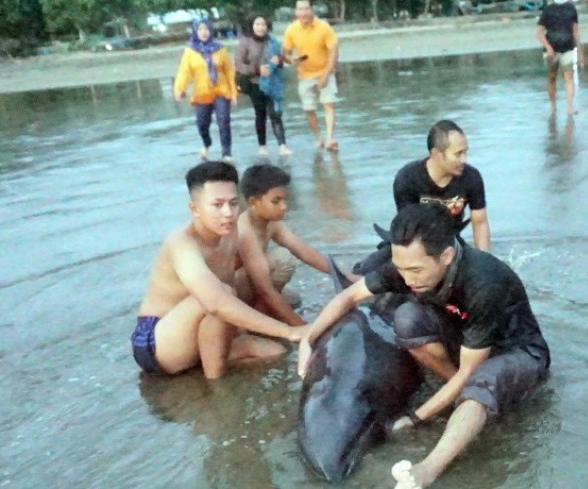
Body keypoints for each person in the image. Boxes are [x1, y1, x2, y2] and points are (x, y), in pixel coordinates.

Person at [297, 203, 550, 489]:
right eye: (401, 269)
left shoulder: (484, 283)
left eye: (416, 270)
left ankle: (428, 469)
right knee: (407, 318)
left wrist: (416, 417)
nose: (408, 279)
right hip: (465, 339)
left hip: (515, 350)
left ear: (446, 256)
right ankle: (458, 401)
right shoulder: (409, 268)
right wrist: (308, 340)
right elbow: (348, 297)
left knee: (480, 385)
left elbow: (469, 371)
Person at [131, 161, 306, 380]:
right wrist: (289, 331)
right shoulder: (181, 243)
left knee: (275, 349)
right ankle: (217, 386)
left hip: (202, 328)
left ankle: (204, 369)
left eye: (233, 203)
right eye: (217, 205)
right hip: (159, 342)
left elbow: (236, 285)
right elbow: (215, 302)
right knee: (220, 294)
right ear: (195, 209)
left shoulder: (230, 231)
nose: (228, 213)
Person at [352, 120, 491, 276]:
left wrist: (484, 261)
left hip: (450, 241)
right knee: (372, 269)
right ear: (437, 154)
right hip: (412, 241)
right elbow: (408, 227)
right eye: (458, 154)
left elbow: (480, 222)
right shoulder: (408, 178)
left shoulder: (471, 177)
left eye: (465, 152)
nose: (464, 159)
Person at [235, 164, 345, 326]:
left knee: (293, 299)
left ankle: (263, 313)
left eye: (284, 199)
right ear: (253, 202)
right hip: (234, 291)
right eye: (276, 201)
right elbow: (264, 289)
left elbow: (304, 252)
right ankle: (257, 318)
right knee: (283, 258)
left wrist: (346, 277)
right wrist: (303, 328)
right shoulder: (245, 231)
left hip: (252, 283)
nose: (284, 207)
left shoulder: (270, 222)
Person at [174, 19, 238, 161]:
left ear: (211, 31)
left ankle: (226, 153)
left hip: (221, 90)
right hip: (202, 92)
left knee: (224, 121)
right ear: (195, 31)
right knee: (202, 124)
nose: (204, 32)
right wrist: (180, 88)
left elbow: (229, 71)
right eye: (200, 29)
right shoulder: (190, 51)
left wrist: (233, 92)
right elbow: (184, 72)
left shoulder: (220, 49)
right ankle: (207, 143)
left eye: (207, 29)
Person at [282, 0, 340, 150]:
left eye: (306, 9)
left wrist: (327, 74)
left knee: (329, 104)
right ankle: (319, 138)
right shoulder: (291, 29)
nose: (304, 13)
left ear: (312, 10)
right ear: (296, 12)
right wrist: (291, 59)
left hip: (325, 70)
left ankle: (329, 138)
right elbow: (286, 53)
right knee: (308, 108)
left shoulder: (324, 27)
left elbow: (334, 51)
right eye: (300, 9)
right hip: (305, 73)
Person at [235, 15, 293, 157]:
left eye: (263, 24)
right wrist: (257, 70)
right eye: (257, 24)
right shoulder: (245, 42)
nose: (261, 27)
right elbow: (239, 64)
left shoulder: (273, 41)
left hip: (273, 83)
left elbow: (280, 61)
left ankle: (282, 146)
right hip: (255, 83)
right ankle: (262, 146)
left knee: (275, 114)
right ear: (252, 26)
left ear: (267, 26)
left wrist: (278, 60)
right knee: (260, 114)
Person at [536, 0, 585, 114]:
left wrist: (580, 53)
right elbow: (539, 32)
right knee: (552, 78)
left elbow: (575, 32)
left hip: (568, 48)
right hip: (551, 50)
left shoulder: (571, 9)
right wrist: (548, 47)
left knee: (569, 77)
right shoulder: (548, 10)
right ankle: (553, 105)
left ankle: (570, 106)